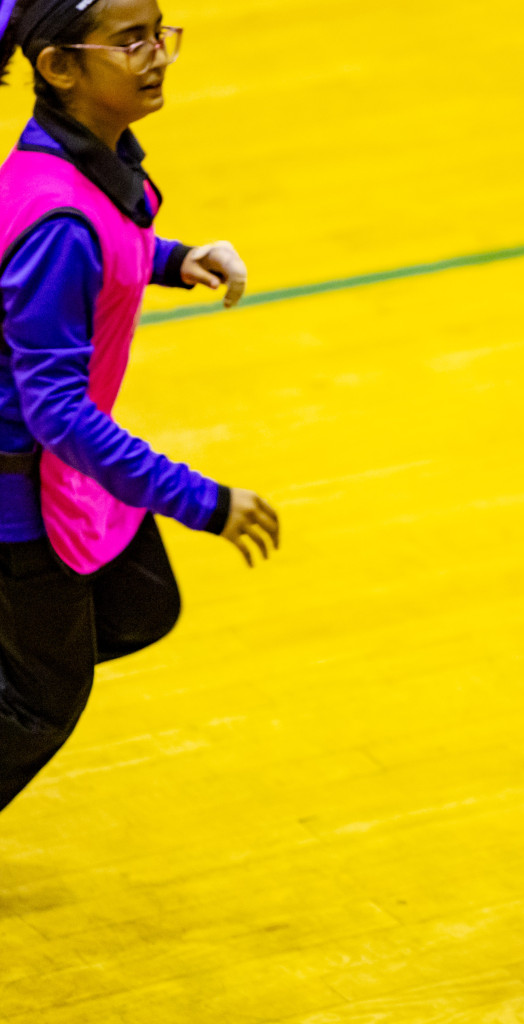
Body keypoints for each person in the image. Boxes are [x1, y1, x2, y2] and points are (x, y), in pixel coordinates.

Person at [0, 0, 280, 813]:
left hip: (59, 479)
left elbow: (110, 241)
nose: (157, 54)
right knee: (38, 701)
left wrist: (175, 258)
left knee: (138, 604)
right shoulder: (58, 221)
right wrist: (204, 501)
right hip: (23, 497)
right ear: (58, 68)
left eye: (160, 33)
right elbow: (58, 412)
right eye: (131, 42)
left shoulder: (82, 167)